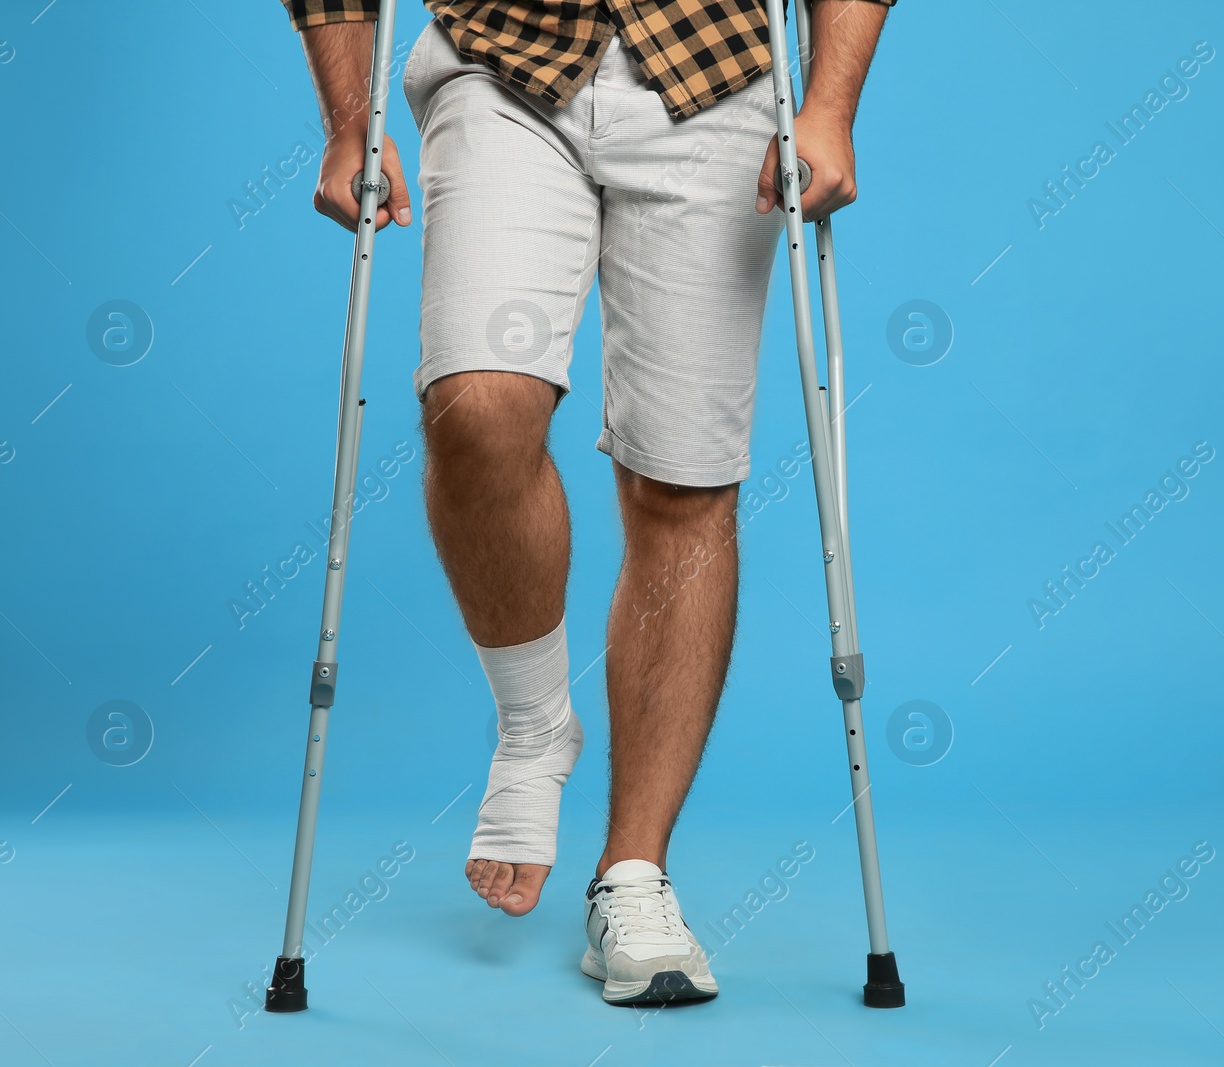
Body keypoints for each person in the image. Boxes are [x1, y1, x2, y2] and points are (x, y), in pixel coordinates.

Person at [279, 0, 890, 1006]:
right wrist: (349, 120)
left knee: (681, 480)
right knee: (476, 408)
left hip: (715, 75)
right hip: (502, 59)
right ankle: (533, 726)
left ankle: (633, 874)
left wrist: (828, 104)